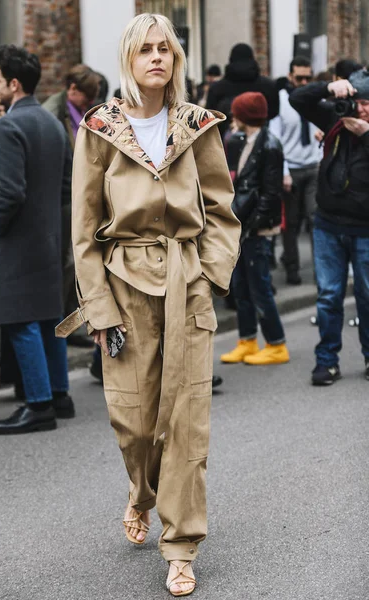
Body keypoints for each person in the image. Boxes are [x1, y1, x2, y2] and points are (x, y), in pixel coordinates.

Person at [56, 13, 240, 596]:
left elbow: (221, 208)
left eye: (165, 49)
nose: (156, 57)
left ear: (175, 60)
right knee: (133, 421)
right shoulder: (100, 128)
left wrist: (209, 275)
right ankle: (141, 490)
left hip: (186, 282)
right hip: (124, 286)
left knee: (186, 421)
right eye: (145, 49)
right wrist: (100, 308)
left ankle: (181, 546)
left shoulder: (198, 126)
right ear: (129, 60)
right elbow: (84, 233)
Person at [0, 45, 74, 434]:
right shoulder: (52, 122)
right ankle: (59, 395)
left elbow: (11, 192)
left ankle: (37, 404)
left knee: (21, 321)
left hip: (16, 240)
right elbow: (66, 186)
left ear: (14, 84)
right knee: (50, 316)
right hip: (48, 237)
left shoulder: (8, 125)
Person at [289, 69, 369, 385]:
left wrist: (365, 134)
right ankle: (327, 362)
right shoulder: (335, 122)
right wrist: (329, 87)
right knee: (328, 297)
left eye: (367, 103)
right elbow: (297, 98)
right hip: (327, 226)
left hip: (365, 230)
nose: (360, 109)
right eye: (357, 102)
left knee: (367, 297)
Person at [220, 92, 289, 366]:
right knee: (241, 288)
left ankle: (276, 344)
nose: (233, 118)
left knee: (259, 288)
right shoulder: (244, 140)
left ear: (243, 116)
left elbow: (270, 194)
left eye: (236, 113)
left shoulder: (269, 145)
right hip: (244, 226)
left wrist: (252, 226)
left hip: (257, 230)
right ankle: (247, 339)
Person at [43, 65, 100, 347]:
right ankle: (63, 323)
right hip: (64, 198)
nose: (89, 103)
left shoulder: (79, 111)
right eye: (86, 96)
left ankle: (71, 322)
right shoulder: (52, 113)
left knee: (80, 261)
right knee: (70, 262)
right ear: (72, 88)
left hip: (81, 195)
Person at [269, 56, 323, 285]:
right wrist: (283, 172)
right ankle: (292, 267)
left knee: (315, 220)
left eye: (308, 78)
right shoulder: (281, 100)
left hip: (313, 167)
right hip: (291, 167)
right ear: (290, 76)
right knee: (290, 223)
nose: (303, 82)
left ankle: (322, 269)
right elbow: (275, 139)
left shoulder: (317, 99)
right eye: (299, 77)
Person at [207, 43, 279, 136]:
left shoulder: (217, 88)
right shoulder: (268, 86)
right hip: (258, 138)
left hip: (224, 141)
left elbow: (210, 117)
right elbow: (274, 112)